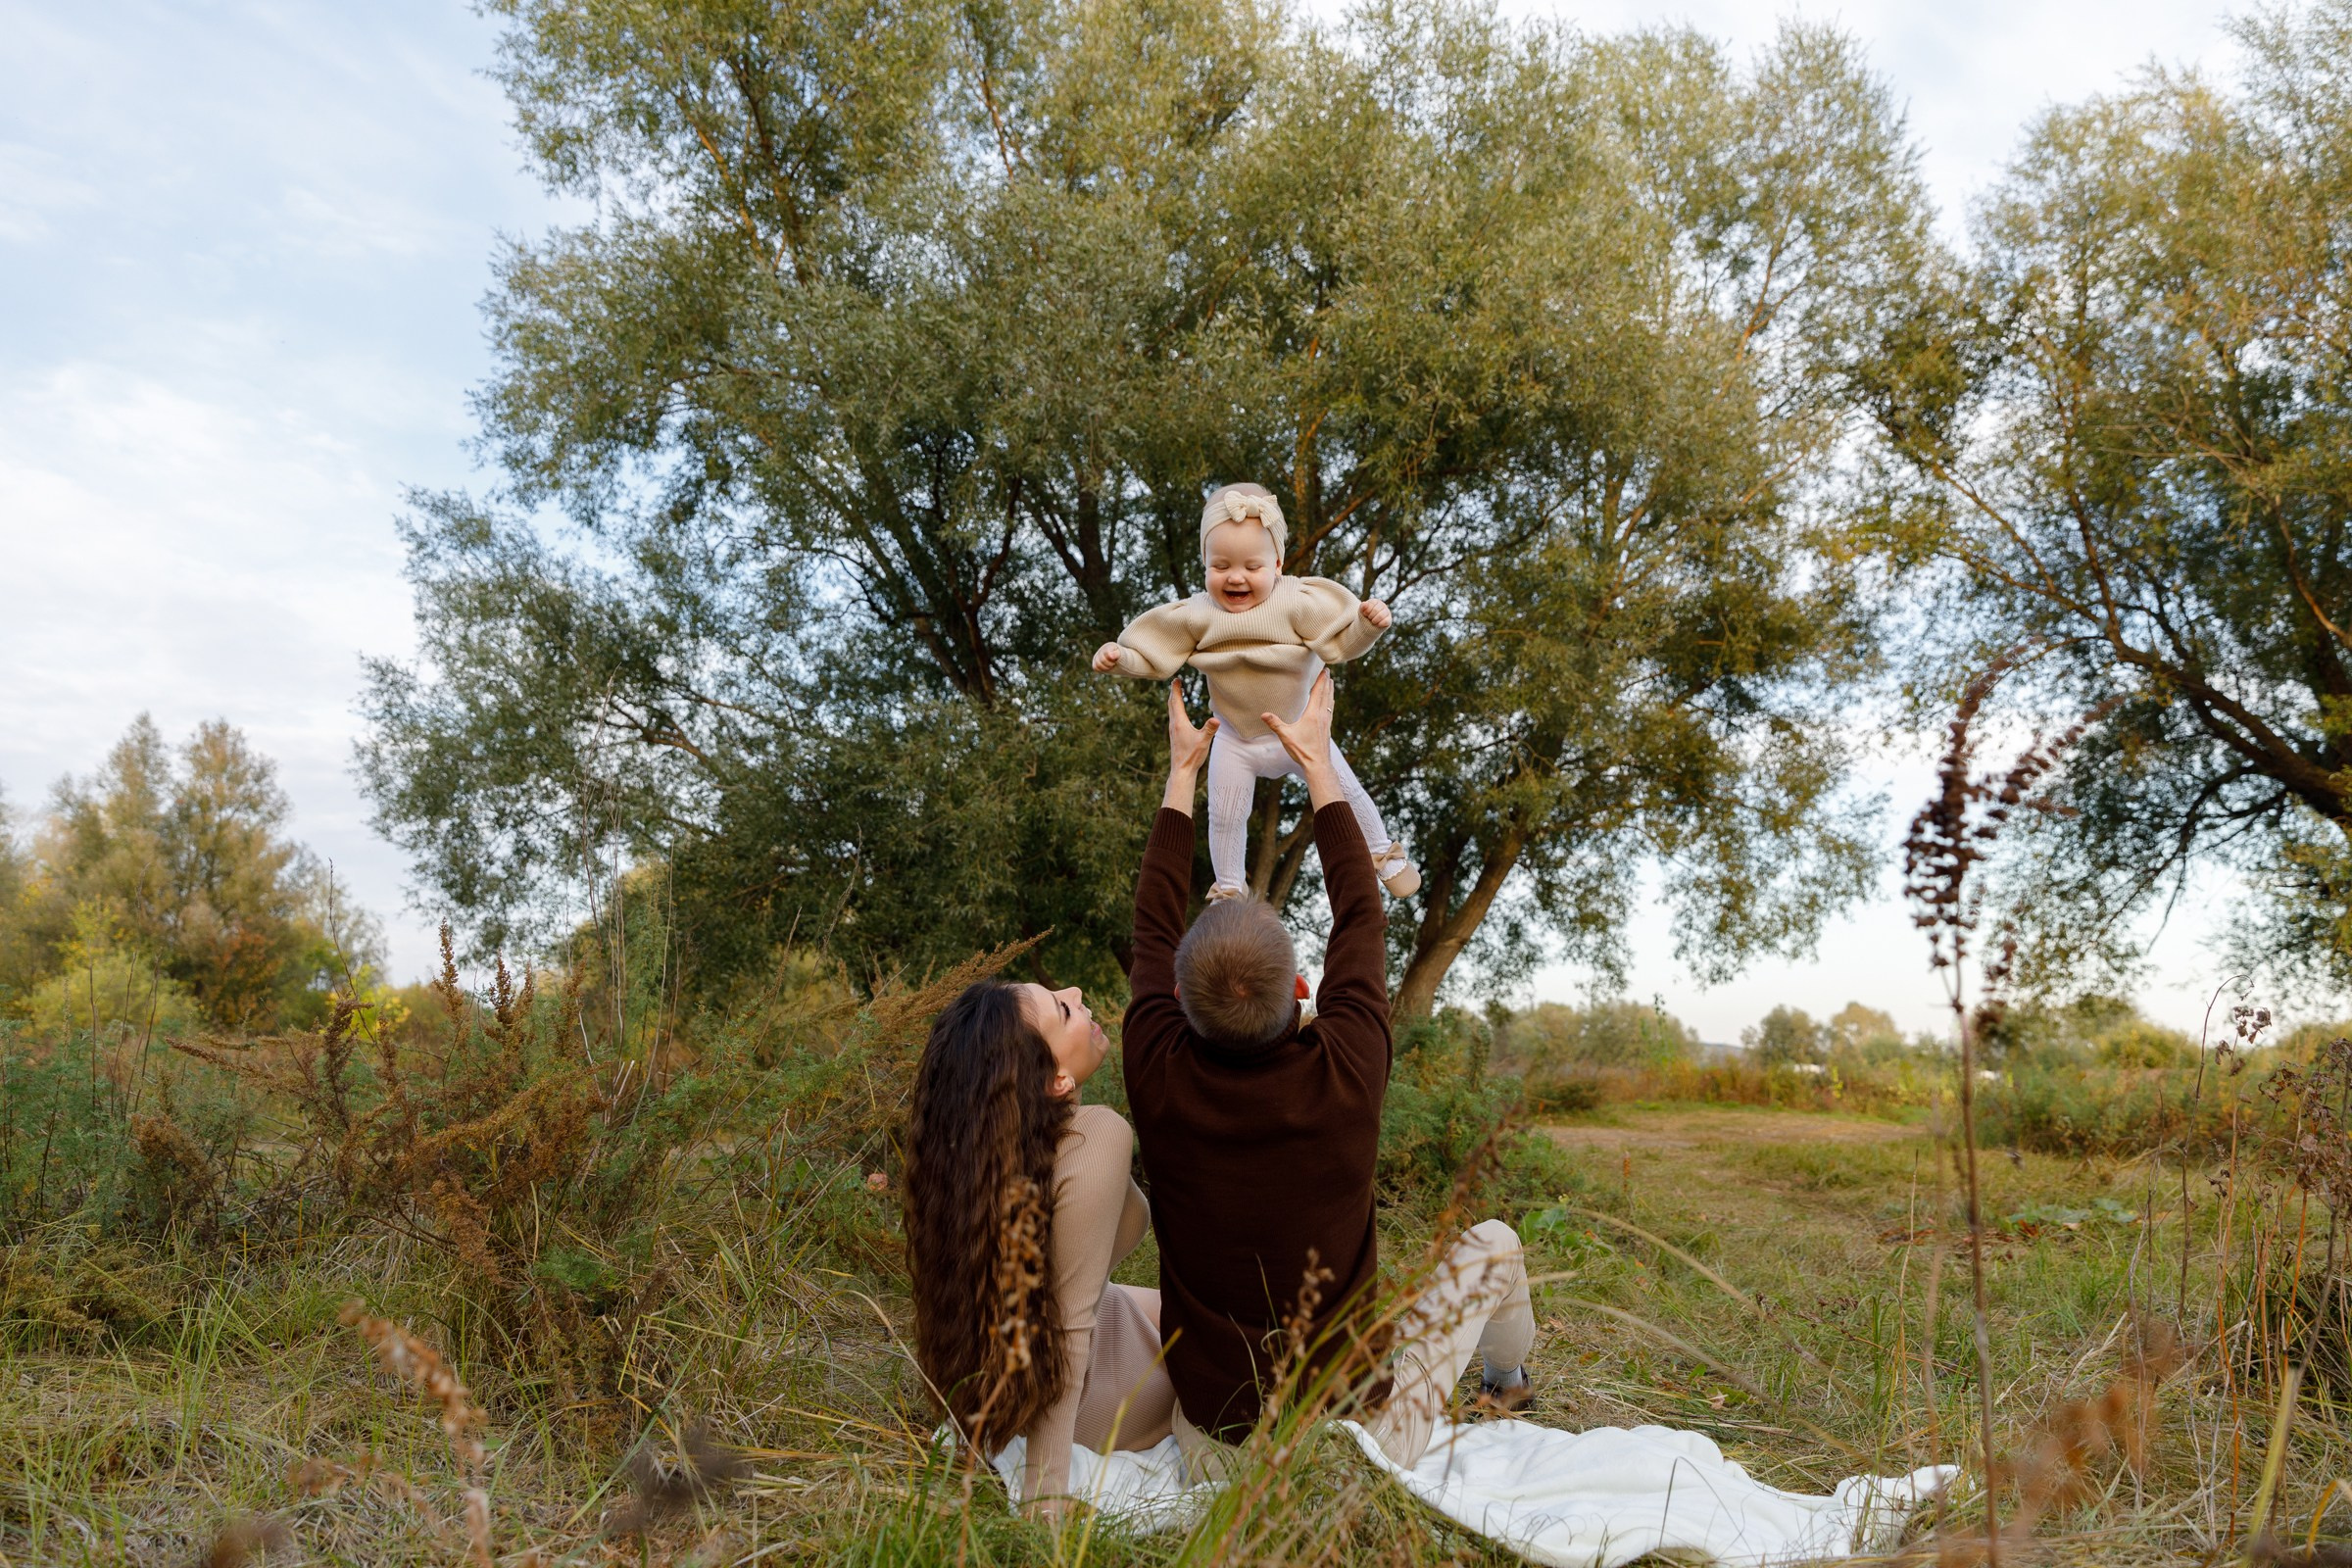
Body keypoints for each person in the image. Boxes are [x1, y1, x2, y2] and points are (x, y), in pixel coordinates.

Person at [1123, 674, 1534, 1478]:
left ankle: (1502, 1386)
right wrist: (1318, 765)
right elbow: (1362, 914)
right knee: (1494, 1244)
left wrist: (1182, 775)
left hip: (1215, 1453)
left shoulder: (1157, 1073)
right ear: (1302, 994)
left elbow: (1148, 928)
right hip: (1358, 1448)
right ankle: (1509, 1385)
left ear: (1175, 1000)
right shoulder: (1345, 1066)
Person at [901, 977, 1176, 1515]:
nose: (1077, 992)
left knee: (1175, 1304)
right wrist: (1045, 1498)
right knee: (1243, 1331)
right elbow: (1069, 1329)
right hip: (1095, 1393)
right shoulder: (1097, 1134)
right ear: (1054, 1079)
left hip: (1036, 1365)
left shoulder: (1000, 1163)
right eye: (1064, 1010)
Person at [1091, 482, 1420, 901]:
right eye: (1221, 565)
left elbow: (1340, 645)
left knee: (1347, 792)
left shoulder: (1295, 601)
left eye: (1252, 566)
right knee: (1225, 817)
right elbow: (1155, 657)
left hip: (1301, 730)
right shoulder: (1197, 614)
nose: (1236, 576)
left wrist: (1368, 626)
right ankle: (1229, 890)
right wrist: (1121, 660)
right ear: (1205, 563)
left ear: (1277, 563)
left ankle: (1381, 854)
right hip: (1235, 737)